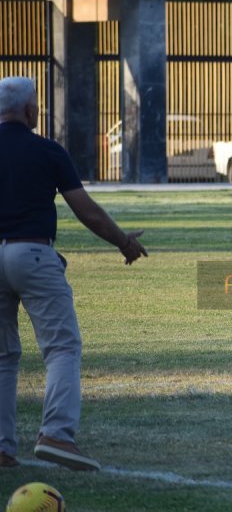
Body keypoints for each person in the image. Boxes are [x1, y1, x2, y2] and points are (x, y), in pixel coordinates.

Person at [0, 76, 147, 471]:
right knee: (62, 348)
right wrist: (124, 242)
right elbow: (89, 212)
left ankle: (0, 446)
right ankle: (56, 435)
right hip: (32, 252)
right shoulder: (47, 150)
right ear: (31, 110)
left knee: (2, 356)